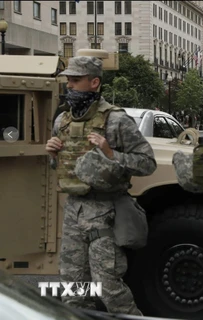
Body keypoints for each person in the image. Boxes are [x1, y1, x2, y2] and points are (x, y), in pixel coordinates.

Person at [45, 55, 156, 315]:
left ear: (94, 82)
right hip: (74, 211)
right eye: (67, 80)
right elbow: (62, 167)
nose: (69, 85)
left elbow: (146, 162)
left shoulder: (116, 120)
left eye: (75, 80)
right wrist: (52, 156)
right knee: (74, 289)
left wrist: (110, 153)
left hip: (105, 212)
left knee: (109, 289)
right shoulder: (62, 121)